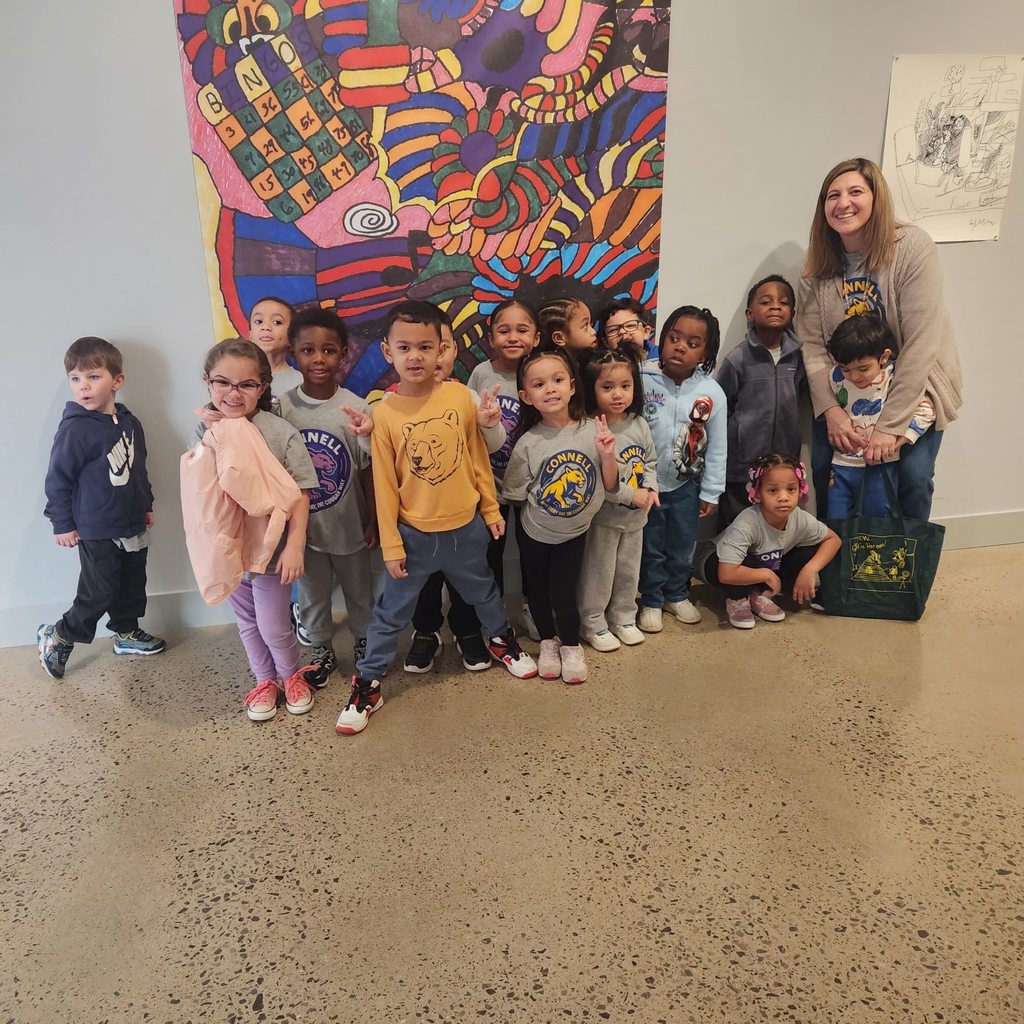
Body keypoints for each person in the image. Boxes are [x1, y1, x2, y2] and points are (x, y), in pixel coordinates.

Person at [336, 301, 536, 736]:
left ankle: (500, 640)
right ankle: (368, 683)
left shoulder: (461, 397)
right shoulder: (384, 415)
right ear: (388, 351)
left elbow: (478, 457)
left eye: (426, 346)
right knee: (391, 612)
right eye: (404, 346)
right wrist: (391, 543)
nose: (416, 356)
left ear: (442, 349)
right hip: (414, 536)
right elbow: (385, 485)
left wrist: (488, 508)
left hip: (467, 528)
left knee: (485, 593)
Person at [796, 157, 963, 520]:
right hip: (849, 389)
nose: (843, 203)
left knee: (913, 477)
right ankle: (838, 568)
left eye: (855, 191)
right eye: (832, 195)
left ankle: (905, 571)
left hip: (915, 388)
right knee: (825, 467)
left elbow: (921, 343)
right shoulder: (817, 263)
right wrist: (833, 412)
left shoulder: (912, 247)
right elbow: (812, 346)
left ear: (876, 199)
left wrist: (889, 426)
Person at [191, 338, 320, 722]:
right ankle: (265, 680)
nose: (233, 393)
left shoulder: (279, 432)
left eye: (246, 384)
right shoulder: (203, 431)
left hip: (270, 550)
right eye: (222, 383)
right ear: (208, 383)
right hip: (228, 548)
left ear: (262, 387)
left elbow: (300, 493)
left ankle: (291, 674)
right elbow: (198, 489)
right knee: (247, 621)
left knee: (273, 623)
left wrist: (295, 545)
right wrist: (212, 437)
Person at [38, 337, 166, 679]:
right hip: (95, 527)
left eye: (93, 377)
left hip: (131, 521)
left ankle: (125, 632)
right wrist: (61, 523)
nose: (83, 387)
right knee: (99, 591)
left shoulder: (129, 422)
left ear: (117, 381)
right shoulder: (76, 429)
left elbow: (138, 468)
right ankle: (60, 635)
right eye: (76, 379)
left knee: (131, 582)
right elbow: (57, 479)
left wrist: (146, 504)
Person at [502, 348, 619, 683]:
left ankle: (570, 644)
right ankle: (549, 643)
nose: (550, 388)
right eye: (539, 384)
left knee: (564, 593)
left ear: (572, 386)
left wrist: (608, 455)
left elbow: (611, 485)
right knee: (537, 591)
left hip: (575, 533)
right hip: (534, 533)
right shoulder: (528, 442)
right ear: (526, 396)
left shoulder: (592, 430)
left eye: (557, 380)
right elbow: (513, 494)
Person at [276, 307, 377, 690]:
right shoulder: (281, 408)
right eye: (308, 350)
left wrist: (375, 518)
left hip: (350, 524)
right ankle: (320, 649)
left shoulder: (355, 407)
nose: (318, 359)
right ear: (293, 353)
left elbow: (367, 468)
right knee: (312, 595)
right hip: (306, 532)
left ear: (343, 353)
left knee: (360, 591)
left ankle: (365, 643)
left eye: (329, 350)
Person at [637, 306, 726, 632]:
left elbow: (718, 445)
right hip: (646, 485)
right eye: (674, 338)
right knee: (651, 545)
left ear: (706, 351)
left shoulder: (711, 392)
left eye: (692, 342)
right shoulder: (642, 377)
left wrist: (712, 491)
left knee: (682, 544)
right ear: (662, 337)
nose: (680, 347)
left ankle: (676, 594)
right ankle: (651, 599)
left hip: (686, 485)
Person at [467, 298, 542, 640]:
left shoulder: (541, 371)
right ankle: (492, 616)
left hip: (532, 487)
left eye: (522, 330)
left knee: (532, 551)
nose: (513, 337)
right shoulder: (482, 374)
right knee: (490, 553)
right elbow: (469, 424)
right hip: (491, 486)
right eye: (504, 330)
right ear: (491, 337)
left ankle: (533, 606)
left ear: (537, 337)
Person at [576, 348, 659, 651]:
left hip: (636, 519)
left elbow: (650, 461)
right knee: (599, 572)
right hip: (604, 520)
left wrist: (650, 489)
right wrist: (630, 495)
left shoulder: (638, 423)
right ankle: (593, 622)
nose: (617, 395)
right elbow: (596, 481)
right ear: (591, 388)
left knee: (628, 571)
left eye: (625, 386)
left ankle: (624, 616)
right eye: (607, 387)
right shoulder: (589, 429)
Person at [699, 454, 841, 629]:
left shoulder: (799, 517)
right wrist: (766, 575)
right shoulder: (748, 523)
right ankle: (738, 599)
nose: (783, 497)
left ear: (800, 490)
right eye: (773, 490)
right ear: (758, 493)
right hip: (712, 561)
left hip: (762, 564)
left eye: (791, 489)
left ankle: (757, 594)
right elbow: (726, 573)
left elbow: (833, 539)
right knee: (748, 561)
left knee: (807, 553)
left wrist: (810, 570)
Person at [824, 313, 935, 518]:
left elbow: (927, 409)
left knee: (877, 521)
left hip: (882, 465)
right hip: (842, 464)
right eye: (846, 369)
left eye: (863, 368)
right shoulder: (835, 377)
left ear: (883, 357)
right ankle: (841, 552)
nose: (854, 376)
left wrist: (902, 438)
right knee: (836, 519)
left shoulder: (894, 380)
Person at [716, 274, 805, 527]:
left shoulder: (799, 358)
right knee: (735, 528)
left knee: (776, 528)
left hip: (783, 468)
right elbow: (722, 408)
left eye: (783, 302)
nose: (775, 306)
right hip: (741, 467)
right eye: (766, 302)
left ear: (793, 312)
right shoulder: (737, 359)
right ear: (750, 314)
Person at [250, 295, 304, 397]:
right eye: (259, 321)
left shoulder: (301, 383)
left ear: (291, 337)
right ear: (250, 335)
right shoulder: (237, 379)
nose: (265, 327)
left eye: (277, 322)